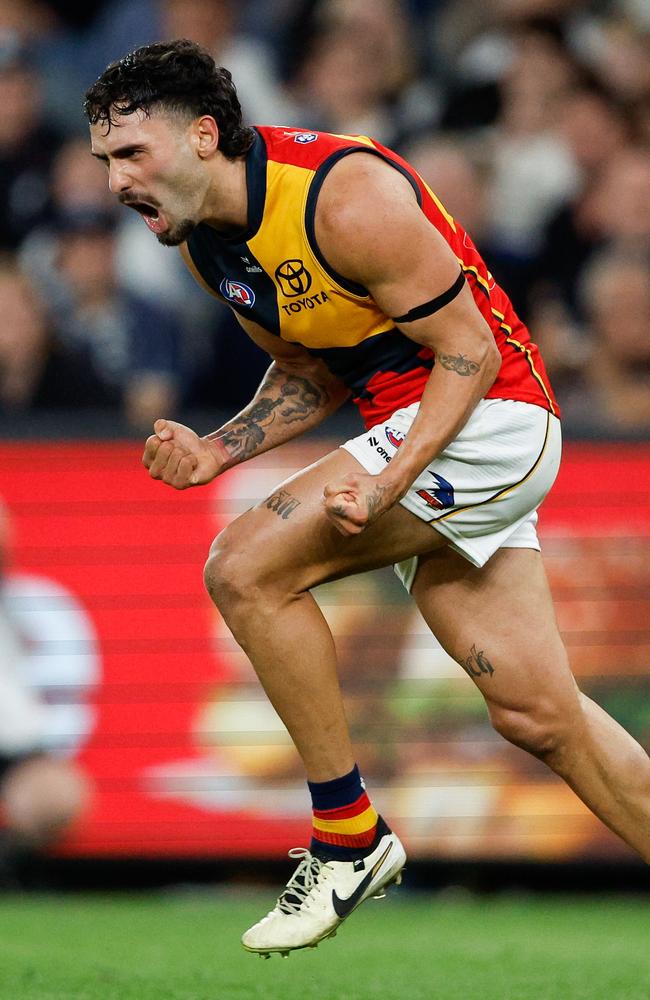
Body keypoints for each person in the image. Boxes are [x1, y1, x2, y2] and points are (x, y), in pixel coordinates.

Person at [83, 39, 650, 955]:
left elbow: (473, 352)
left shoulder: (339, 194)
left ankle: (348, 834)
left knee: (244, 568)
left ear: (200, 135)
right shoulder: (210, 242)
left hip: (493, 421)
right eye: (104, 161)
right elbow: (312, 373)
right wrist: (216, 451)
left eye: (130, 154)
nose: (115, 181)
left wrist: (390, 477)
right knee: (541, 716)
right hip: (435, 439)